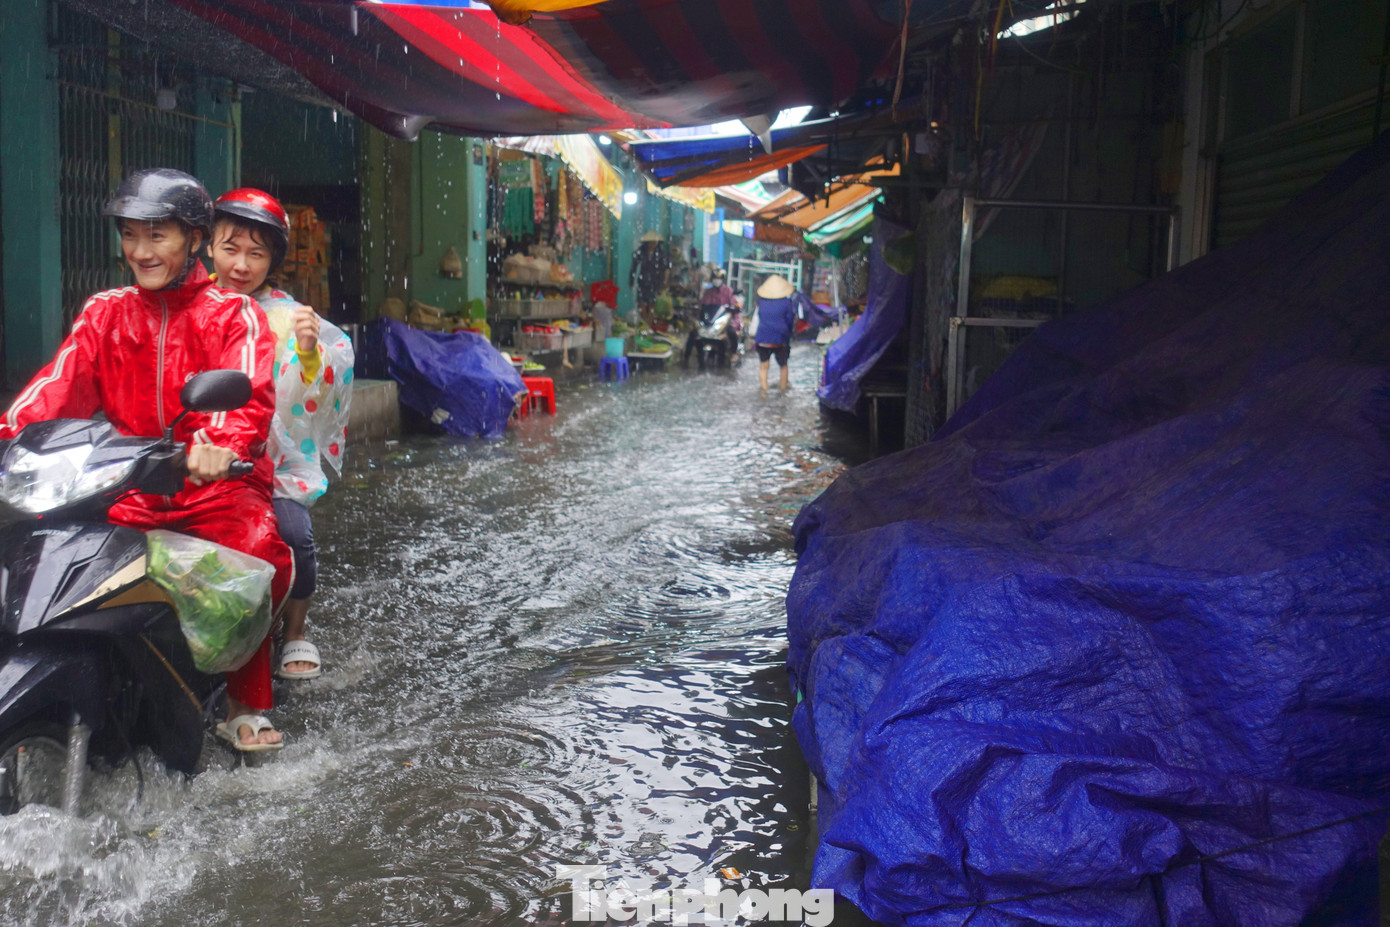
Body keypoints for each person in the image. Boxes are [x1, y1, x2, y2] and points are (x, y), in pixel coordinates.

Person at [0, 168, 290, 751]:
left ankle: (244, 701)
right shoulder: (106, 313)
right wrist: (8, 434)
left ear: (191, 239)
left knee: (254, 549)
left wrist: (218, 446)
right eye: (131, 235)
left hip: (214, 488)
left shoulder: (234, 315)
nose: (140, 251)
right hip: (123, 488)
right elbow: (54, 390)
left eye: (157, 236)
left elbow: (248, 402)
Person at [210, 188, 354, 682]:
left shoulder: (287, 315)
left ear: (273, 260)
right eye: (231, 248)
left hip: (271, 461)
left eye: (256, 253)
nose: (242, 265)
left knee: (294, 538)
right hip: (196, 454)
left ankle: (294, 631)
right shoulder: (191, 305)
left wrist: (310, 350)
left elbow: (321, 375)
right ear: (209, 246)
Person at [753, 274, 800, 392]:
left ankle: (764, 392)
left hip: (763, 338)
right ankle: (783, 392)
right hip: (780, 339)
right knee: (783, 366)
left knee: (764, 366)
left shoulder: (761, 302)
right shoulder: (787, 302)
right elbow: (790, 321)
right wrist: (788, 336)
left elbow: (760, 317)